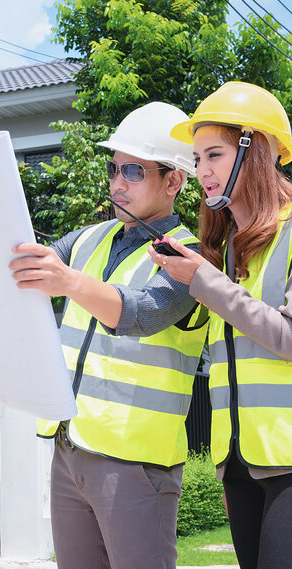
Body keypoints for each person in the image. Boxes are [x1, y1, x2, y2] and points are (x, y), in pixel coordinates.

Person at [9, 102, 208, 569]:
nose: (117, 182)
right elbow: (12, 265)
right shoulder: (88, 239)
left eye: (134, 170)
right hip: (70, 446)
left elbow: (143, 313)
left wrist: (67, 282)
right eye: (113, 167)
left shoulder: (193, 256)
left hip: (136, 464)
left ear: (174, 180)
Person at [147, 81, 292, 569]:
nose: (201, 171)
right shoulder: (226, 247)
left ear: (255, 151)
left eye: (214, 155)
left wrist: (205, 281)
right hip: (237, 457)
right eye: (197, 158)